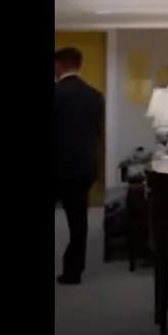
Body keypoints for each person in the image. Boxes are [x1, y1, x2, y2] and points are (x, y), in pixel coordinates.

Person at [53, 46, 105, 284]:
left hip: (56, 167)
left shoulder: (56, 93)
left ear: (61, 65)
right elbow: (96, 133)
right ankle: (73, 272)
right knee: (78, 222)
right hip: (82, 167)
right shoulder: (95, 96)